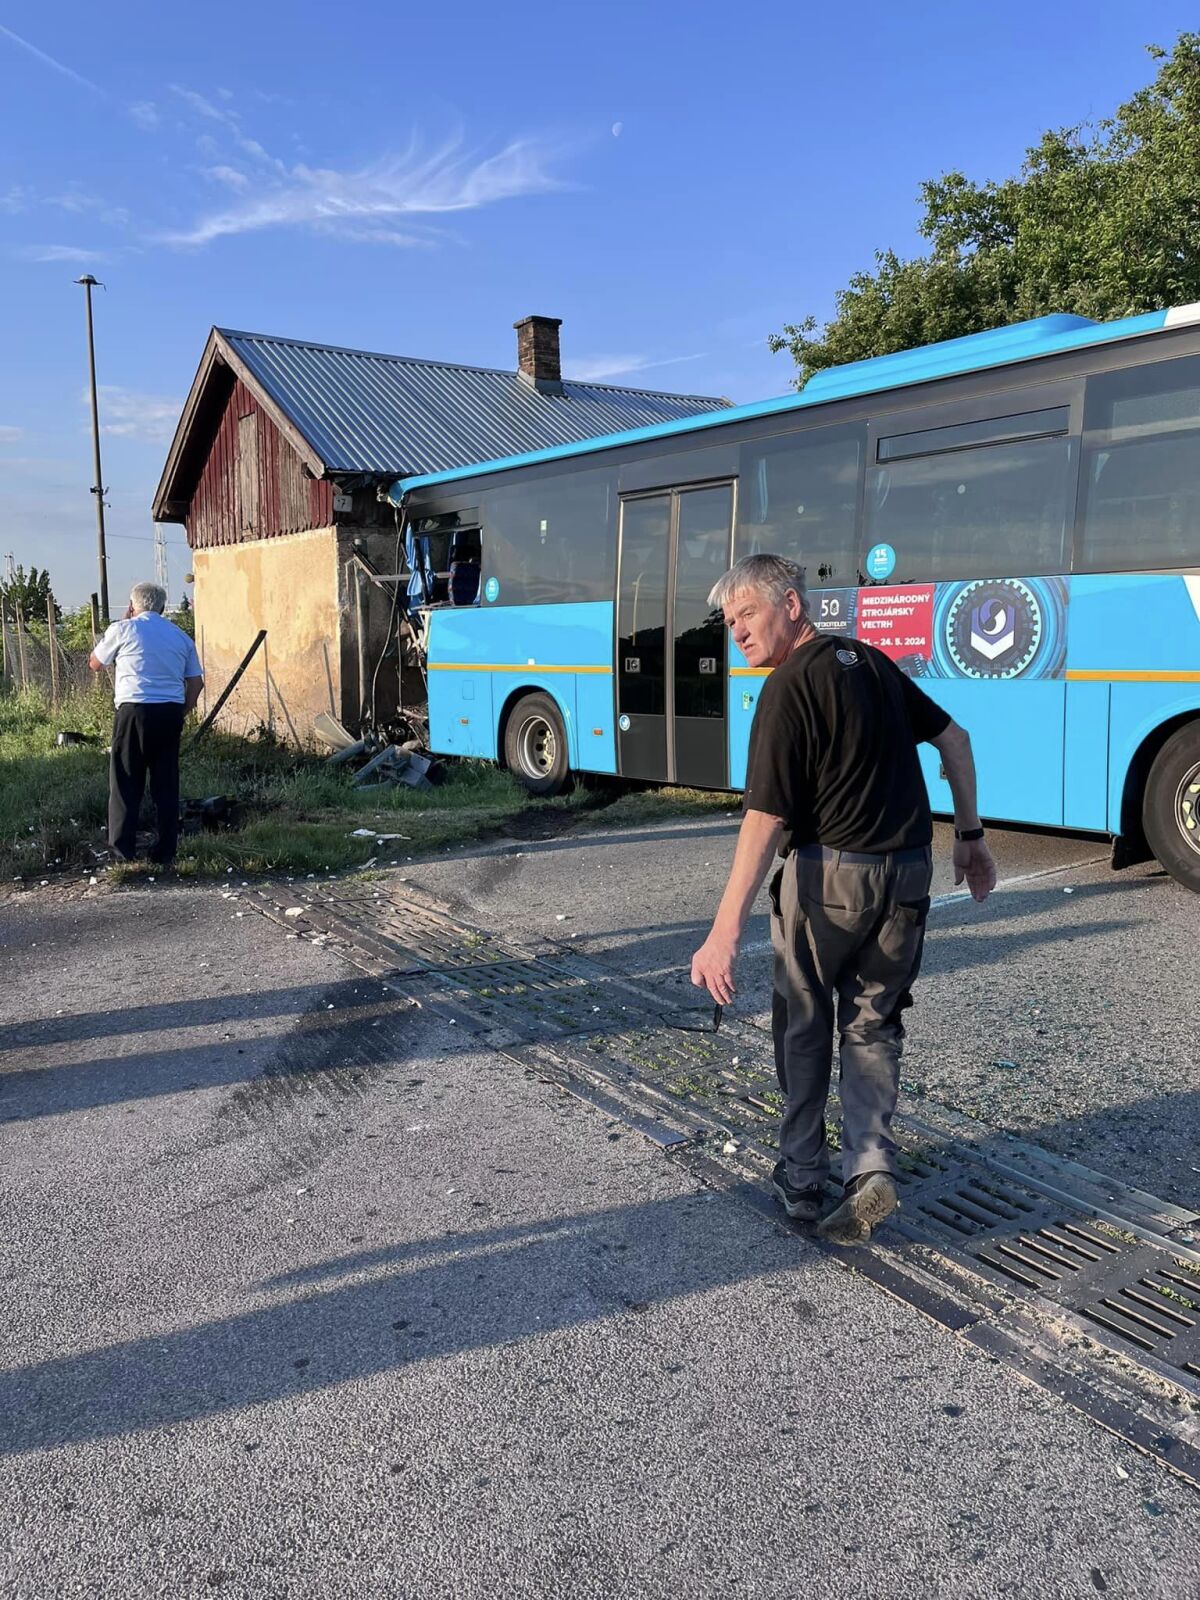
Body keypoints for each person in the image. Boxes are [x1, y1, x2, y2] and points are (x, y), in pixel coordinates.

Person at [690, 554, 996, 1246]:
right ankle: (870, 1167)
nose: (737, 631)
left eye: (748, 614)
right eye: (729, 621)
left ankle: (803, 1178)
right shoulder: (874, 664)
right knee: (873, 1023)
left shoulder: (788, 686)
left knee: (804, 1021)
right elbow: (955, 740)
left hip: (829, 878)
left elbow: (766, 818)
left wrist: (723, 931)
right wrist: (971, 836)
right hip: (908, 875)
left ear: (791, 605)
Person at [89, 581, 204, 866]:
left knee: (126, 780)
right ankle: (165, 850)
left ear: (132, 606)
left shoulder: (123, 629)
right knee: (166, 782)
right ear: (163, 608)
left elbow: (95, 663)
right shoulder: (180, 637)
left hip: (134, 710)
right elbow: (196, 683)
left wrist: (121, 628)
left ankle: (123, 851)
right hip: (169, 711)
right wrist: (183, 710)